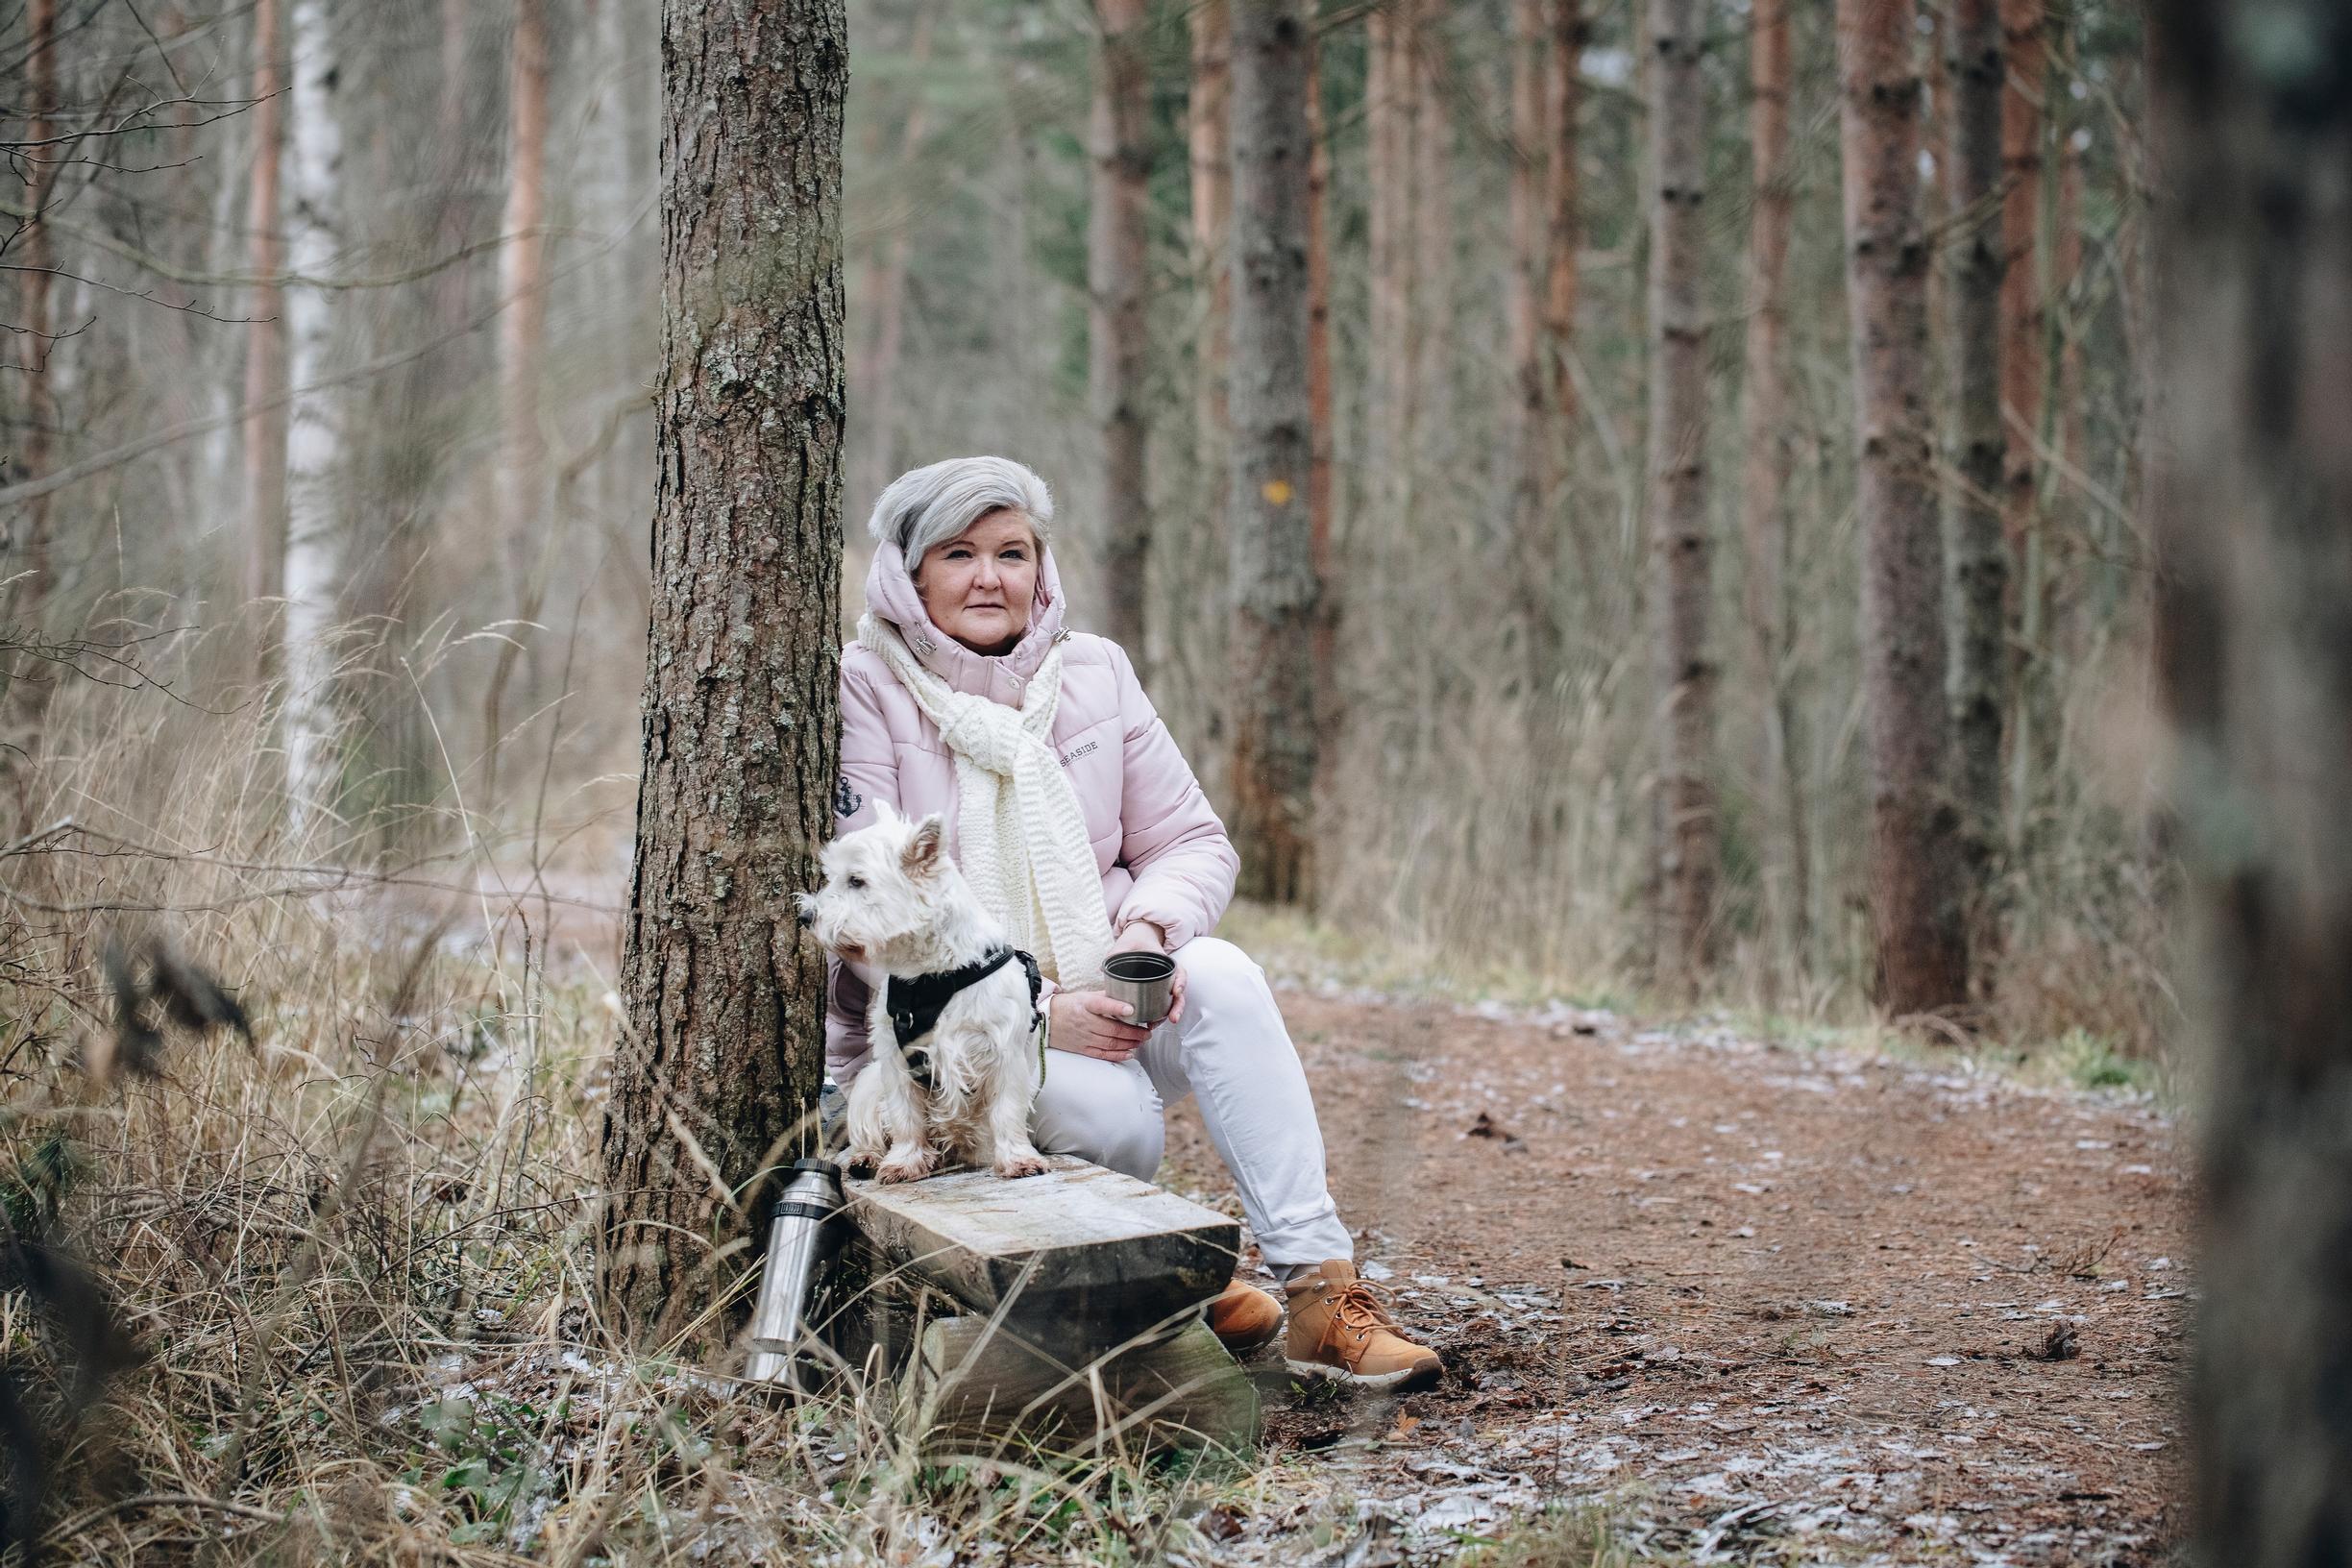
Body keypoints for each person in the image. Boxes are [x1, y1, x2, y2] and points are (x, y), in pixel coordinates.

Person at [825, 455, 1439, 1389]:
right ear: (909, 577)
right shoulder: (864, 686)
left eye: (1012, 552)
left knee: (1226, 974)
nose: (990, 577)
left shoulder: (1094, 674)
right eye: (959, 554)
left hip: (1102, 988)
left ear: (1042, 567)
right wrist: (1032, 1008)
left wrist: (1147, 934)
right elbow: (873, 912)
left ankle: (1321, 1295)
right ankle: (1163, 1288)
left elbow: (1191, 839)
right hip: (946, 1047)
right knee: (1108, 1117)